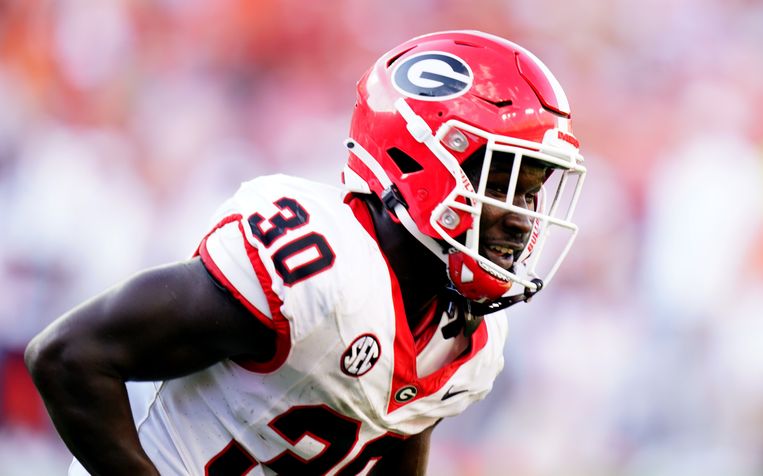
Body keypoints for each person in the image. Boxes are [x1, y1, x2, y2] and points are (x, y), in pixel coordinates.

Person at [25, 30, 586, 475]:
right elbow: (69, 357)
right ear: (423, 163)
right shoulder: (316, 269)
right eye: (503, 182)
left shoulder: (469, 340)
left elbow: (390, 443)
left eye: (534, 190)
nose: (522, 216)